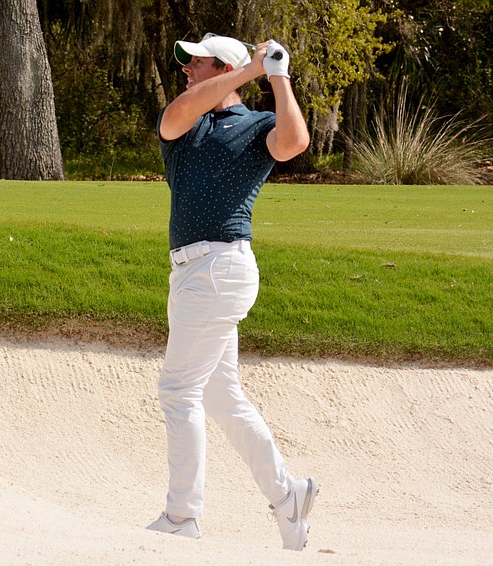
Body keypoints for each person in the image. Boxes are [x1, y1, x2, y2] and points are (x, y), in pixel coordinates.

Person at [145, 33, 318, 551]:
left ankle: (181, 515)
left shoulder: (257, 124)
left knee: (178, 390)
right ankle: (289, 497)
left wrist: (278, 76)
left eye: (195, 63)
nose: (186, 71)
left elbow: (294, 143)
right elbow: (177, 113)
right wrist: (251, 69)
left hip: (220, 267)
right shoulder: (185, 121)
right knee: (222, 396)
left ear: (220, 66)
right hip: (192, 274)